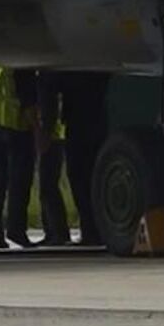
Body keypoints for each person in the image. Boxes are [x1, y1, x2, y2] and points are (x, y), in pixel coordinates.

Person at [0, 66, 37, 249]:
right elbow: (26, 98)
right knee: (20, 183)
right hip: (18, 127)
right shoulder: (22, 63)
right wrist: (38, 130)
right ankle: (16, 229)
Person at [57, 72, 113, 247]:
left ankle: (90, 231)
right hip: (95, 122)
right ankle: (95, 230)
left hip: (78, 124)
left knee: (80, 178)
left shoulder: (73, 72)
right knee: (93, 179)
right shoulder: (97, 71)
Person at [34, 72, 72, 246]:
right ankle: (52, 231)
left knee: (48, 186)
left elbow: (49, 111)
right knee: (47, 187)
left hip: (52, 139)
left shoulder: (46, 80)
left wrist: (45, 134)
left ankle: (58, 232)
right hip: (54, 137)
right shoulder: (49, 79)